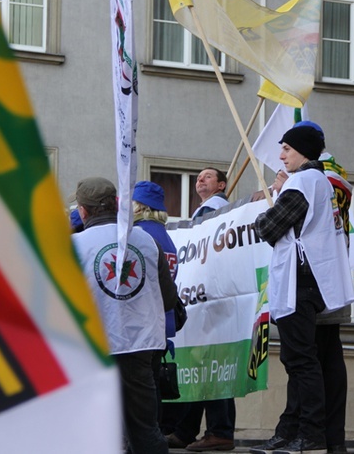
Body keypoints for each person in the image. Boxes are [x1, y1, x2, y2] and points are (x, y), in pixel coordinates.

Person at [252, 124, 354, 454]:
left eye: (287, 149)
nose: (281, 156)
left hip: (300, 284)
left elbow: (268, 227)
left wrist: (267, 209)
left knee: (301, 363)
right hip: (314, 283)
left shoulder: (302, 182)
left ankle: (309, 434)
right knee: (301, 362)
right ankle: (292, 430)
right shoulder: (319, 181)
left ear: (304, 151)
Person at [72, 177, 177, 454]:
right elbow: (167, 298)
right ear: (116, 203)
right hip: (140, 346)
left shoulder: (72, 246)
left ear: (83, 210)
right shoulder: (146, 240)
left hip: (92, 349)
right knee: (144, 428)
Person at [165, 167, 236, 452]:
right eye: (199, 176)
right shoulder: (203, 211)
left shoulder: (217, 210)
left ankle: (220, 429)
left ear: (221, 185)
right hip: (201, 298)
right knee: (199, 364)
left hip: (212, 298)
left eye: (208, 176)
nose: (200, 179)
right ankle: (186, 429)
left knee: (211, 363)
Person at [131, 180, 180, 423]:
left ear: (140, 206)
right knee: (153, 388)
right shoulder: (166, 237)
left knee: (141, 391)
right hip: (161, 323)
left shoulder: (140, 235)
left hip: (141, 323)